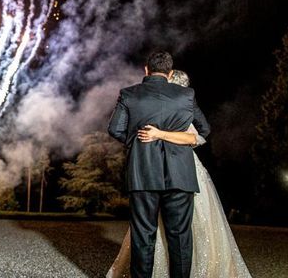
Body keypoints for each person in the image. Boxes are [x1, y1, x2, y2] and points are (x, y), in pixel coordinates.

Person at [107, 69, 252, 277]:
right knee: (178, 234)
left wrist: (154, 136)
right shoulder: (182, 103)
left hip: (174, 170)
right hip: (180, 171)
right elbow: (203, 130)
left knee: (164, 231)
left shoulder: (178, 104)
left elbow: (197, 137)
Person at [108, 52, 211, 278]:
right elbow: (204, 130)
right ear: (170, 73)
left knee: (143, 235)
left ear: (146, 70)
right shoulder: (186, 95)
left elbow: (114, 129)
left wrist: (138, 141)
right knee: (180, 238)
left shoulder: (129, 94)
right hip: (180, 175)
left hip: (143, 173)